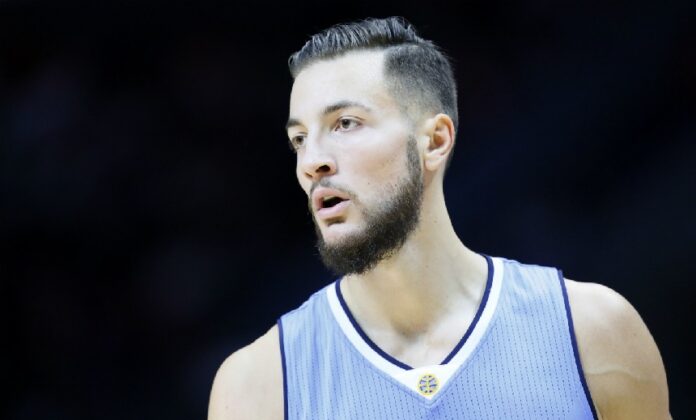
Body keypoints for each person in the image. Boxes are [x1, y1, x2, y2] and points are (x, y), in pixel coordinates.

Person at [208, 17, 670, 419]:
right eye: (299, 139)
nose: (312, 162)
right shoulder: (255, 386)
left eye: (345, 123)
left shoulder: (595, 331)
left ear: (434, 141)